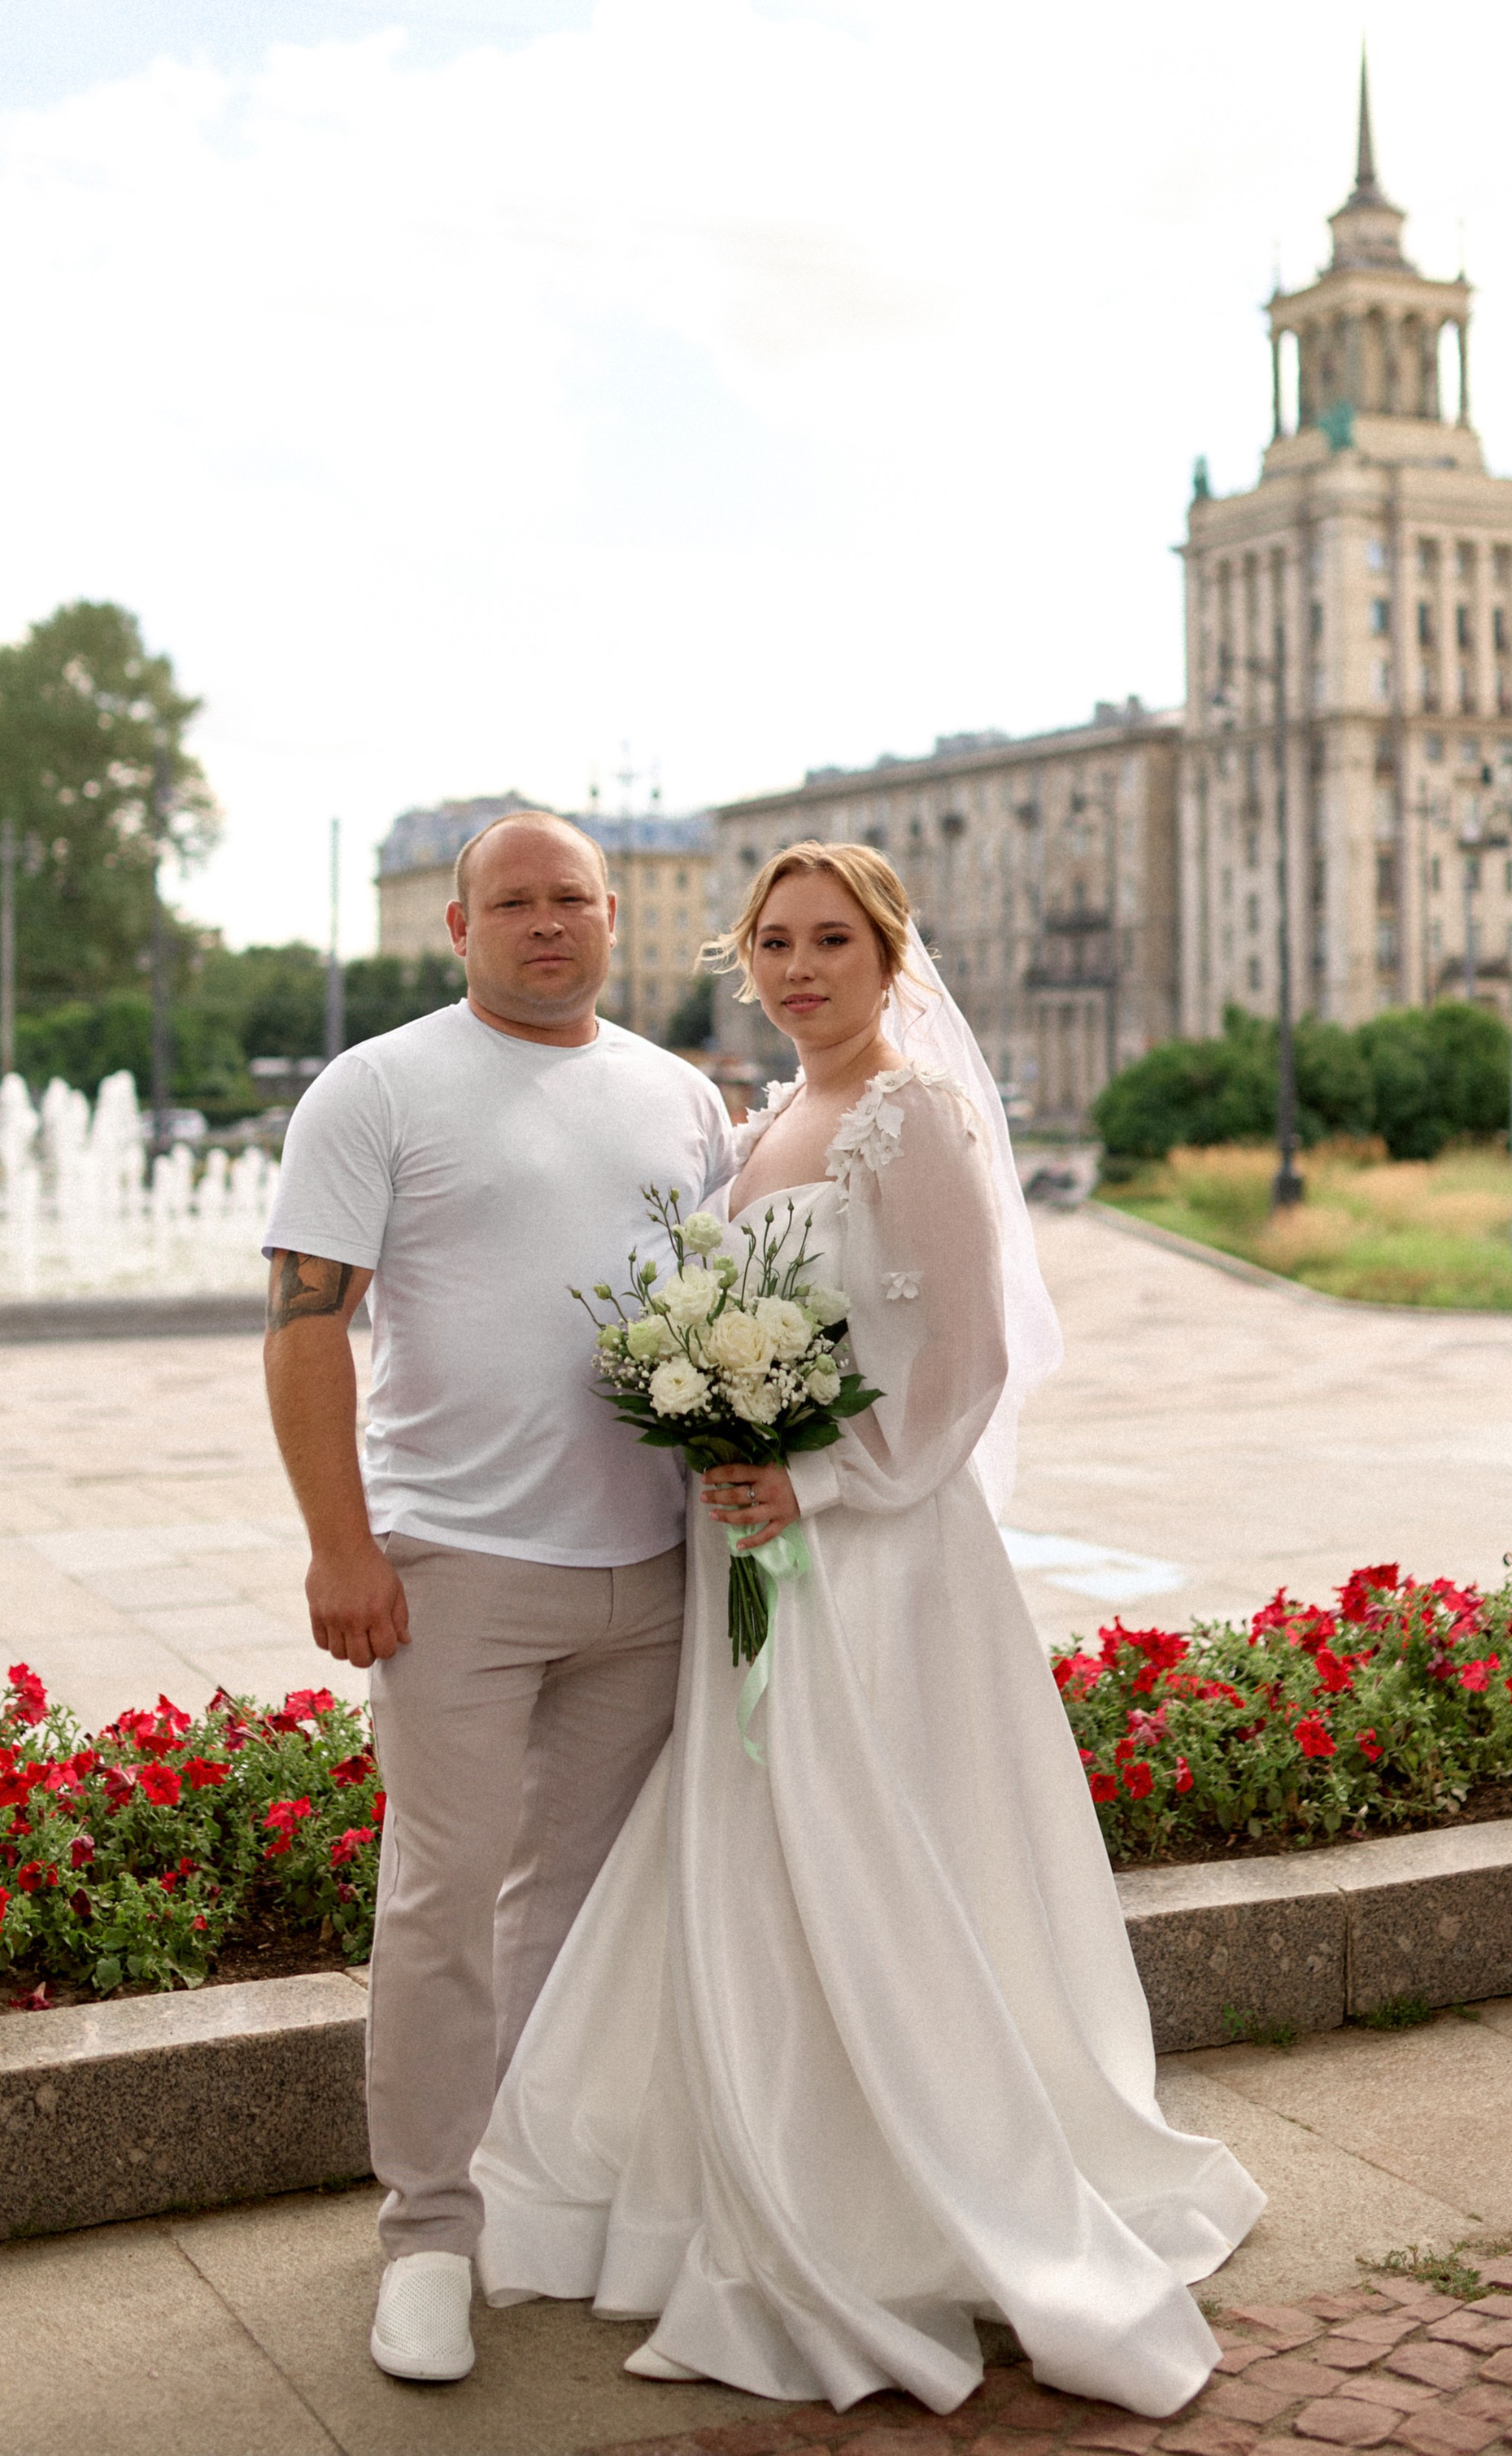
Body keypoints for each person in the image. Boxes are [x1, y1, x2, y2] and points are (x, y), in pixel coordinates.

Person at [473, 840, 1264, 2418]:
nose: (796, 967)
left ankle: (893, 2186)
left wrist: (808, 1477)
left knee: (869, 1853)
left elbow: (960, 1363)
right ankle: (760, 2154)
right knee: (762, 1856)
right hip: (754, 1554)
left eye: (829, 939)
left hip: (877, 1561)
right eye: (769, 942)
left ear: (890, 955)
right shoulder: (769, 1122)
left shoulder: (913, 1113)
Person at [262, 809, 734, 2388]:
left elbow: (728, 1308)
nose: (549, 925)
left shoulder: (680, 1095)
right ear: (455, 928)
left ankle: (532, 2200)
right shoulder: (378, 1086)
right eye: (513, 903)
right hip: (453, 1574)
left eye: (574, 901)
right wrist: (343, 1543)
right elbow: (303, 1329)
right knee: (440, 1908)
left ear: (614, 918)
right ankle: (426, 2236)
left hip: (652, 1577)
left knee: (585, 1909)